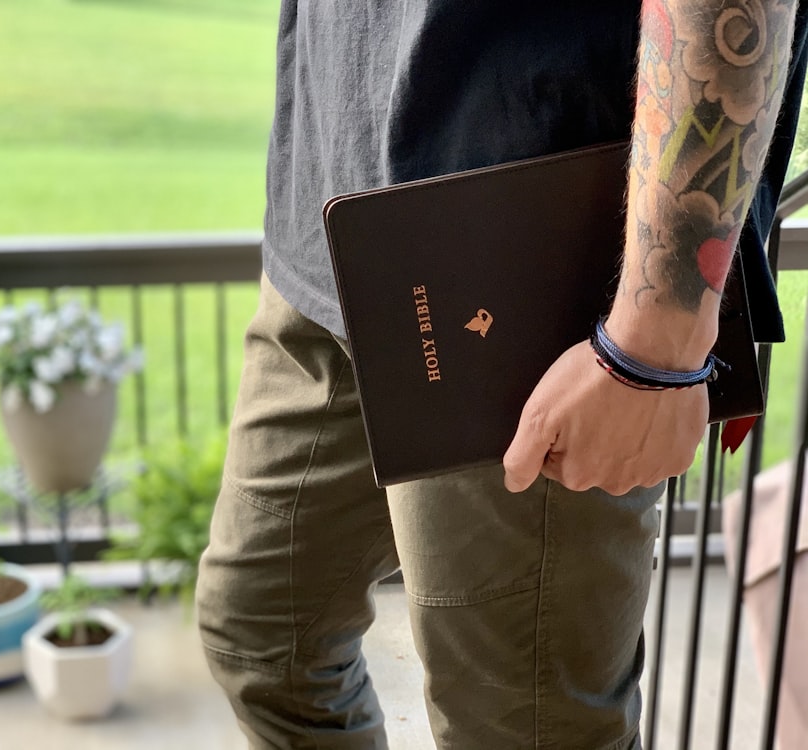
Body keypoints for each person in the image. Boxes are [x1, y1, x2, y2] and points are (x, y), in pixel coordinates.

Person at [196, 1, 808, 747]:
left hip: (529, 254)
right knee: (260, 638)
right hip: (332, 225)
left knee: (523, 731)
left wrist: (657, 341)